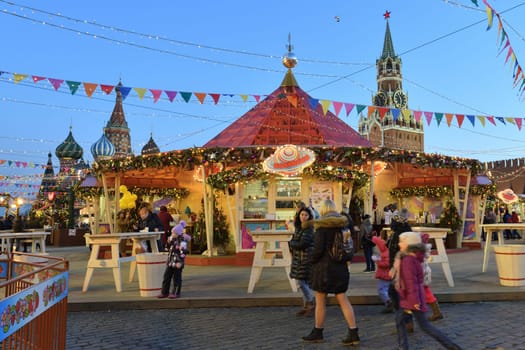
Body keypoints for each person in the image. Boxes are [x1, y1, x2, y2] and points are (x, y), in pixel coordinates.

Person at [302, 199, 360, 345]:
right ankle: (353, 332)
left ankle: (318, 331)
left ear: (322, 210)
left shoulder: (322, 228)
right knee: (343, 299)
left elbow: (318, 251)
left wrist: (310, 260)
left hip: (324, 269)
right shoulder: (344, 226)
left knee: (320, 300)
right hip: (341, 267)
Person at [393, 231, 462, 350]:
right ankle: (403, 346)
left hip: (410, 298)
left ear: (409, 244)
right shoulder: (413, 257)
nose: (399, 244)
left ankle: (450, 345)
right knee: (402, 322)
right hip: (409, 297)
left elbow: (411, 282)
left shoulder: (408, 260)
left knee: (424, 326)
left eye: (402, 242)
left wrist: (414, 301)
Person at [388, 207, 414, 332]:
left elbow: (396, 254)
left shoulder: (397, 236)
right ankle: (408, 322)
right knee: (402, 296)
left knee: (396, 296)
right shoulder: (407, 233)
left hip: (400, 270)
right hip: (405, 270)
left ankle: (403, 323)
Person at [289, 207, 315, 317]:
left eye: (305, 215)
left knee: (301, 281)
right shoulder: (299, 227)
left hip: (305, 258)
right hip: (299, 258)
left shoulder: (308, 228)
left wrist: (291, 243)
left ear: (309, 217)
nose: (303, 217)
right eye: (301, 214)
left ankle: (311, 301)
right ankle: (306, 307)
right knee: (304, 282)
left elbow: (302, 244)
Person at [158, 223, 189, 299]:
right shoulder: (172, 240)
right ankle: (164, 292)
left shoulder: (182, 242)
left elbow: (183, 252)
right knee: (166, 277)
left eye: (174, 233)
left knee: (176, 279)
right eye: (172, 232)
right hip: (171, 262)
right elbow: (167, 249)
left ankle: (176, 292)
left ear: (178, 233)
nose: (172, 234)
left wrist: (181, 262)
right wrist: (168, 243)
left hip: (177, 263)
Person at [421, 233, 444, 321]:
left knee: (424, 293)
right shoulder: (424, 251)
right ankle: (436, 311)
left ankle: (435, 312)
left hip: (421, 275)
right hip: (424, 274)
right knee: (427, 293)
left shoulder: (419, 252)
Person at [371, 235, 393, 313]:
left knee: (382, 290)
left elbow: (386, 264)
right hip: (386, 275)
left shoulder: (385, 253)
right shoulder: (385, 252)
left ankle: (388, 302)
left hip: (385, 275)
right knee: (387, 289)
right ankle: (389, 302)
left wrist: (377, 261)